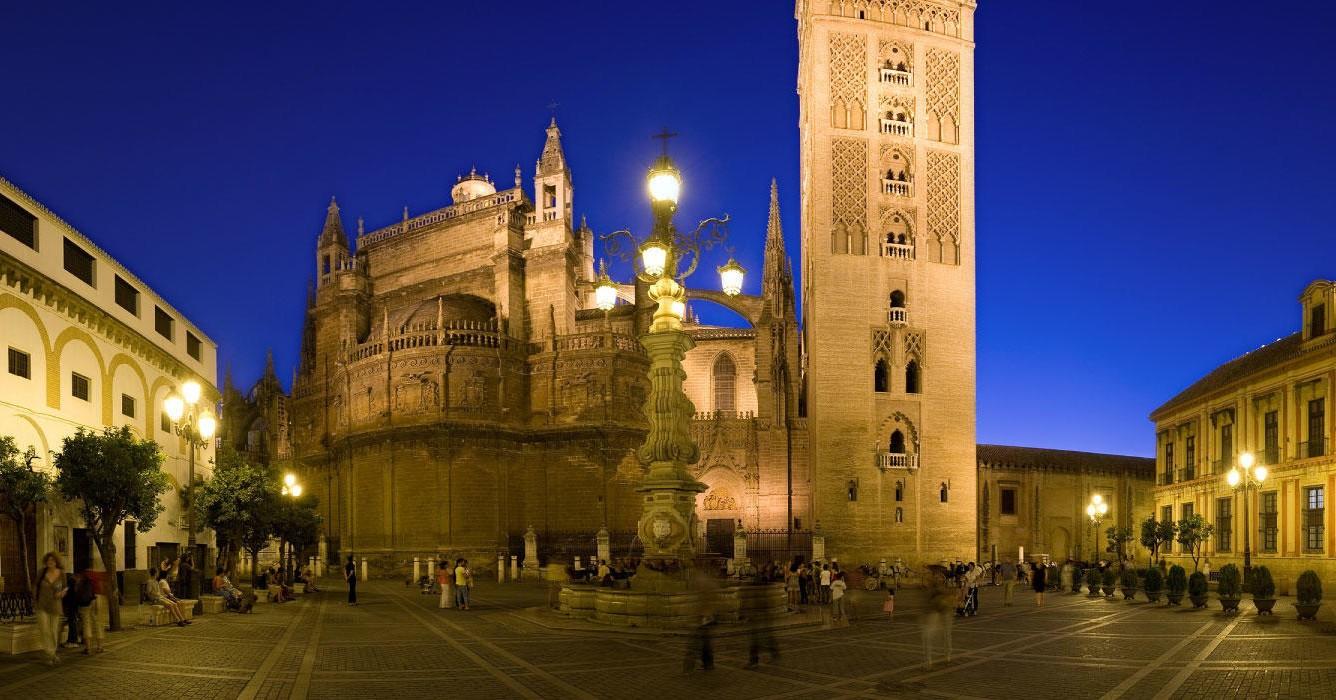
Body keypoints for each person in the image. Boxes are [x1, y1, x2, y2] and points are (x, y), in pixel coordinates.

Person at [35, 552, 67, 665]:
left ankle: (52, 653)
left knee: (53, 631)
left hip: (55, 606)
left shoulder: (61, 574)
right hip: (41, 605)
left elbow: (65, 587)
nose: (50, 562)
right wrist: (34, 601)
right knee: (45, 630)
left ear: (56, 562)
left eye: (52, 560)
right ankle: (50, 654)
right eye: (48, 560)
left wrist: (62, 593)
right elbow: (35, 587)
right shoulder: (41, 572)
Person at [75, 568, 104, 654]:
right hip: (97, 598)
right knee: (98, 623)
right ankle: (100, 647)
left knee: (86, 623)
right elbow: (101, 588)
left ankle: (88, 648)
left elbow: (77, 590)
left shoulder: (82, 576)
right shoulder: (96, 574)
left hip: (86, 601)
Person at [61, 569, 81, 649]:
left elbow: (65, 598)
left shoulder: (69, 587)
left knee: (72, 623)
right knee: (73, 622)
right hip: (74, 606)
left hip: (71, 606)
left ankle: (72, 641)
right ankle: (75, 639)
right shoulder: (74, 585)